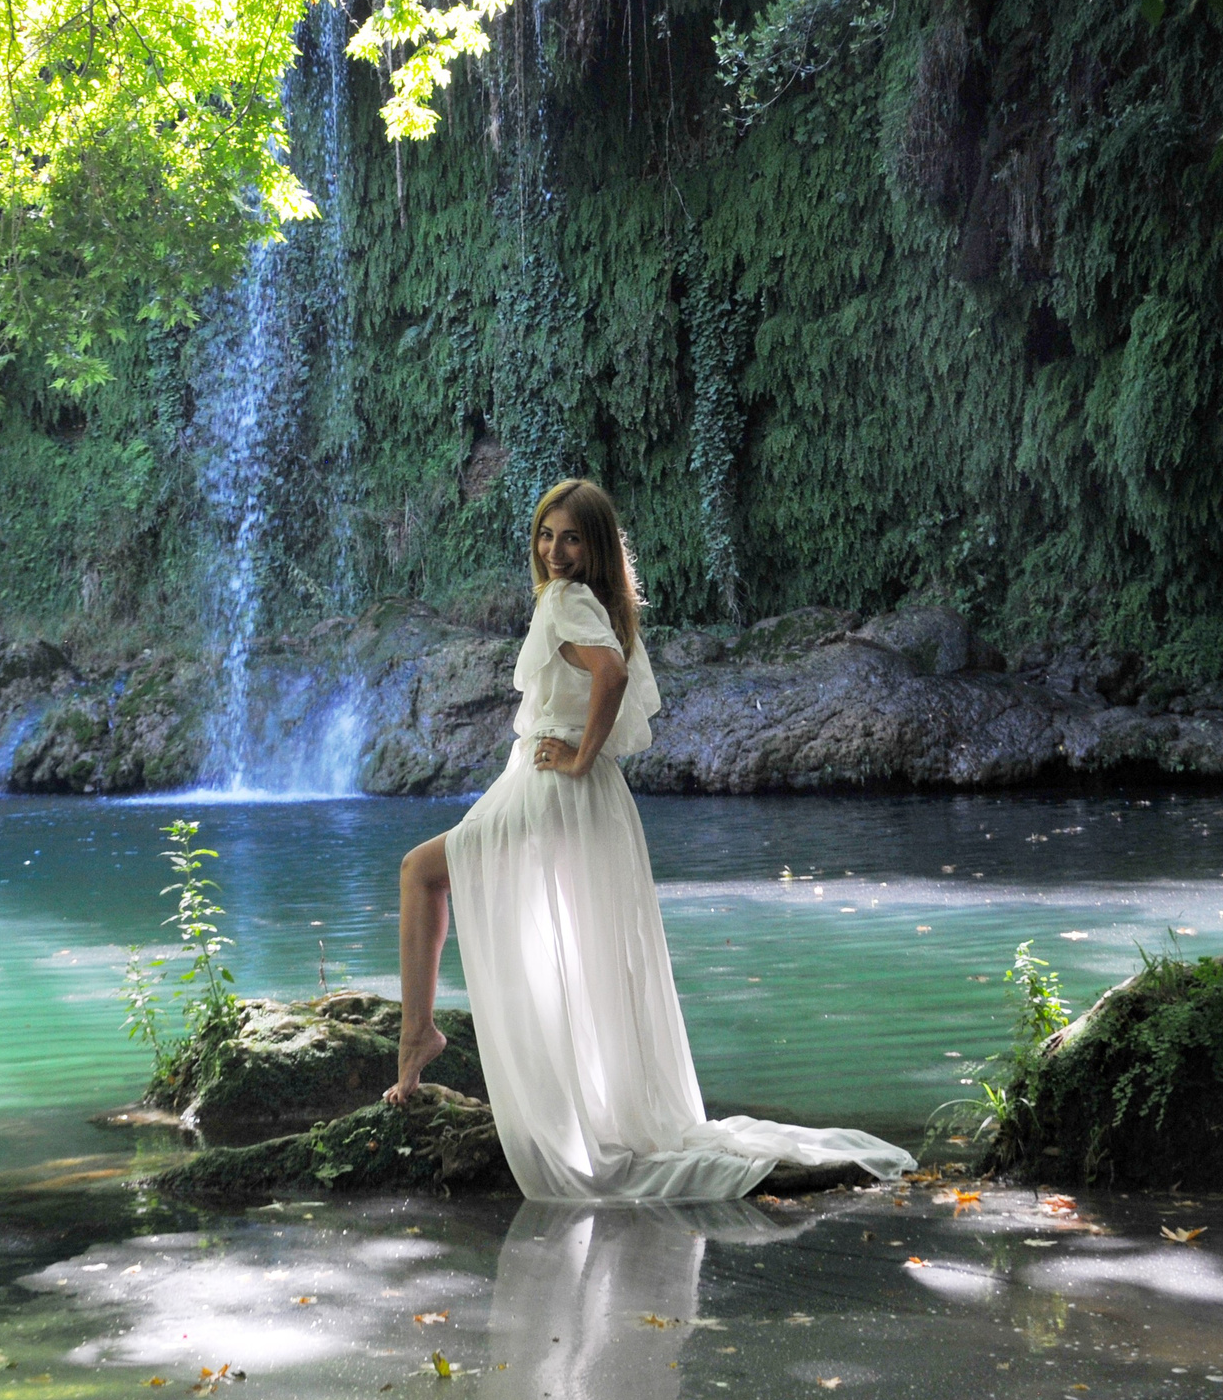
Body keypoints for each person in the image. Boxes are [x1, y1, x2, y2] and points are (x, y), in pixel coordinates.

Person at [383, 478, 915, 1201]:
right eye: (546, 534)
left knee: (421, 872)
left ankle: (419, 1037)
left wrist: (572, 755)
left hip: (553, 787)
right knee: (578, 947)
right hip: (588, 795)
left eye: (571, 537)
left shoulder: (569, 602)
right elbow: (611, 672)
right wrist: (585, 761)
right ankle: (584, 1094)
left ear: (595, 545)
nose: (555, 550)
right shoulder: (602, 604)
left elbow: (611, 675)